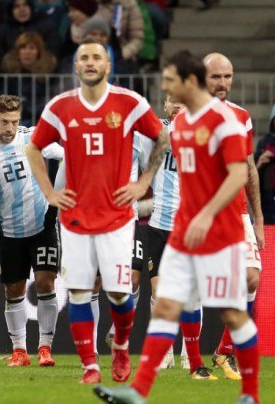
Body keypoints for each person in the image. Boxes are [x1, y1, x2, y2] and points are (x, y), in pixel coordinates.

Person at [94, 52, 260, 404]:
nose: (166, 88)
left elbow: (238, 175)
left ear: (189, 81)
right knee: (167, 305)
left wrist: (207, 214)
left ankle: (251, 393)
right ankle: (139, 391)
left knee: (232, 312)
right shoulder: (180, 125)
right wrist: (143, 186)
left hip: (220, 230)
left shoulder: (226, 122)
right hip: (183, 229)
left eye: (171, 80)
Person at [25, 39, 168, 384]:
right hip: (75, 218)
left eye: (97, 57)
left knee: (119, 293)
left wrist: (143, 182)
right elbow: (33, 148)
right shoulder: (60, 107)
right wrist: (49, 193)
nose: (90, 62)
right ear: (76, 66)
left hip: (117, 217)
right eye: (84, 57)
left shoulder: (130, 103)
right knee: (78, 291)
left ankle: (121, 345)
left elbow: (162, 138)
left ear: (108, 66)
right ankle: (90, 366)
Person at [137, 87, 215, 378]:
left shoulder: (201, 134)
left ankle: (188, 354)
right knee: (159, 291)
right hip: (159, 225)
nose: (178, 106)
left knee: (192, 294)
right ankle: (165, 352)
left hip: (190, 226)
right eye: (173, 102)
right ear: (165, 105)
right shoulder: (155, 132)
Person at [0, 95, 63, 367]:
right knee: (13, 290)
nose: (10, 128)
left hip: (42, 226)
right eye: (4, 122)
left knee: (45, 283)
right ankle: (19, 350)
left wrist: (54, 201)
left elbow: (67, 156)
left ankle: (45, 348)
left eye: (14, 121)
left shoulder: (32, 137)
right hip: (9, 231)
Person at [203, 53, 264, 380]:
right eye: (216, 76)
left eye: (227, 76)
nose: (223, 83)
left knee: (252, 278)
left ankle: (224, 351)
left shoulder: (242, 117)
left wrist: (258, 218)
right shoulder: (190, 118)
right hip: (204, 214)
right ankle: (191, 360)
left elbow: (250, 169)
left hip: (237, 212)